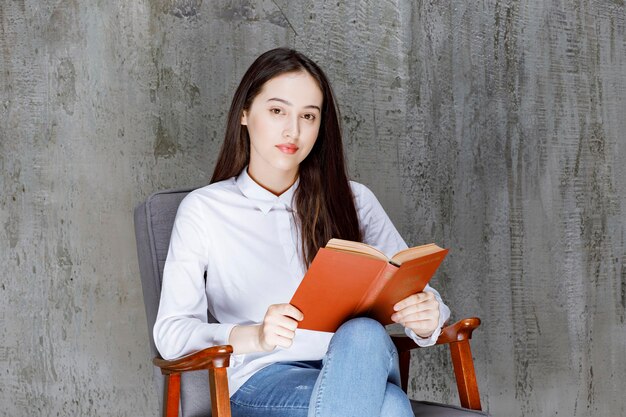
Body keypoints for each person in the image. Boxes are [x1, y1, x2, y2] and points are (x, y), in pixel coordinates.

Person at [154, 47, 451, 417]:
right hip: (261, 380)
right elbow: (171, 333)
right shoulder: (204, 209)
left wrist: (429, 314)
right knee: (389, 406)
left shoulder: (354, 199)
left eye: (308, 116)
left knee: (363, 333)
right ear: (245, 113)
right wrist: (255, 335)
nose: (292, 131)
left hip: (363, 359)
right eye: (277, 110)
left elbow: (416, 286)